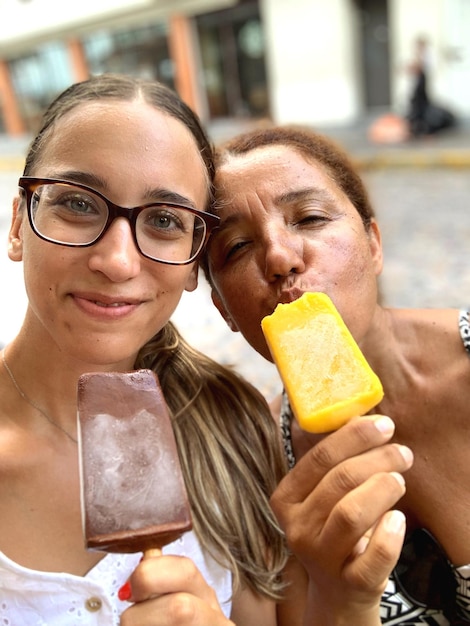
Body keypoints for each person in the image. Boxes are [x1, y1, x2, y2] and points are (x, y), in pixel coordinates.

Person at [0, 73, 410, 626]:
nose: (118, 261)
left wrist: (347, 602)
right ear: (19, 223)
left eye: (165, 220)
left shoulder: (236, 430)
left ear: (194, 265)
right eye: (77, 203)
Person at [201, 123, 470, 625]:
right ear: (224, 311)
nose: (280, 258)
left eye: (309, 217)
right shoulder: (258, 470)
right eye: (237, 247)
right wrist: (338, 598)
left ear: (373, 243)